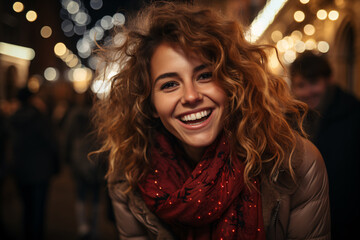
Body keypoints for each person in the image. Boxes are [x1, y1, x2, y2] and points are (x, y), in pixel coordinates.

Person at [94, 2, 331, 239]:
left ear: (231, 84)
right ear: (151, 105)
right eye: (169, 84)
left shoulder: (296, 163)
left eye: (205, 76)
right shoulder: (129, 179)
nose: (191, 96)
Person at [290, 51, 360, 239]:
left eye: (314, 83)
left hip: (346, 221)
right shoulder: (290, 121)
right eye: (300, 85)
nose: (308, 92)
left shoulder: (353, 113)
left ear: (328, 80)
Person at [8, 87, 59, 240]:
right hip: (41, 170)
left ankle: (27, 233)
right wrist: (56, 165)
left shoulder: (12, 119)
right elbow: (51, 142)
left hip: (21, 170)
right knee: (38, 209)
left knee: (26, 208)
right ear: (32, 99)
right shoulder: (40, 118)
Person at [64, 90, 104, 240]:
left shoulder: (75, 115)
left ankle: (82, 226)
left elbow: (67, 136)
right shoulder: (99, 115)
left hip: (78, 159)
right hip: (96, 158)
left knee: (80, 194)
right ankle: (95, 227)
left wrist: (66, 157)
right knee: (95, 196)